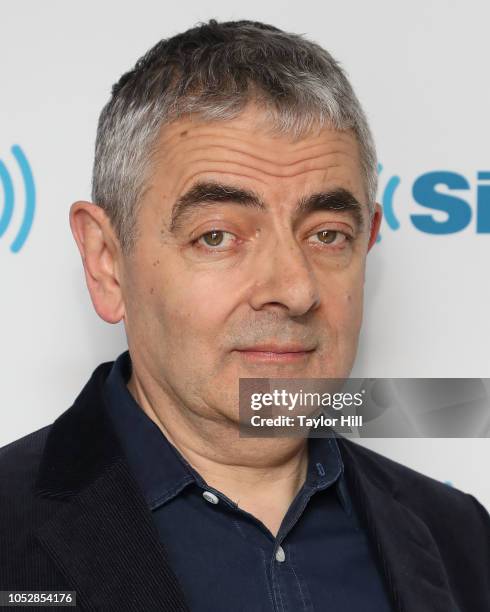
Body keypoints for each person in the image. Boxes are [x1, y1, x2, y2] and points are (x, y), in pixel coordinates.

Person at [0, 19, 488, 612]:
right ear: (107, 263)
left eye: (328, 234)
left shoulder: (460, 537)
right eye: (218, 237)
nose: (293, 287)